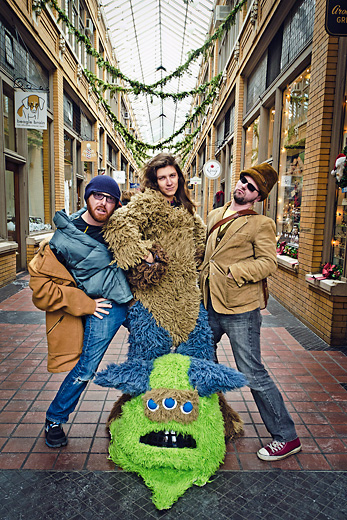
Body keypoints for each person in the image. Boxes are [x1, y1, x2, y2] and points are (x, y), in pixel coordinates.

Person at [98, 152, 244, 438]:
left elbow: (201, 244)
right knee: (148, 363)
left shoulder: (187, 209)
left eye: (172, 176)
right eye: (162, 177)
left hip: (188, 300)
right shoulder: (147, 203)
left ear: (180, 177)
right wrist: (145, 257)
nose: (168, 182)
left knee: (200, 359)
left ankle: (214, 420)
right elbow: (118, 226)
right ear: (154, 181)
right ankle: (128, 420)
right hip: (153, 301)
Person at [199, 163, 302, 461]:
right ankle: (214, 421)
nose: (243, 186)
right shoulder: (214, 216)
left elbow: (269, 263)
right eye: (243, 181)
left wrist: (235, 271)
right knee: (203, 363)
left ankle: (286, 436)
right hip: (208, 303)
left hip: (240, 308)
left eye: (251, 187)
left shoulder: (261, 224)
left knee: (251, 372)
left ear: (258, 196)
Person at [28, 175, 133, 448]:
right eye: (99, 196)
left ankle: (150, 414)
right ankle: (55, 418)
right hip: (103, 307)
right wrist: (86, 304)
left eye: (111, 199)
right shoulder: (65, 236)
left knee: (160, 343)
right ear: (87, 197)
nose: (104, 203)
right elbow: (41, 285)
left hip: (133, 301)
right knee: (86, 367)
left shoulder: (122, 226)